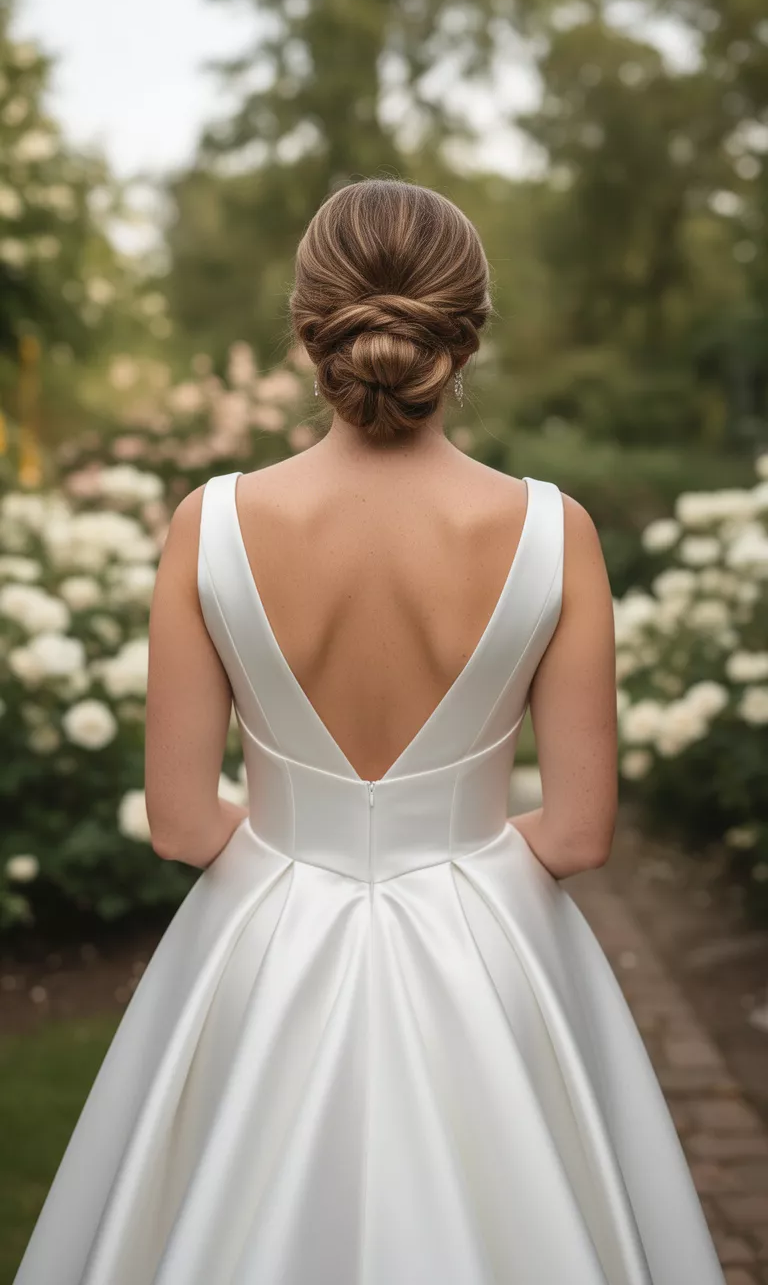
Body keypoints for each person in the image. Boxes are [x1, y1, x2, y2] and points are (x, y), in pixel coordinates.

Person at [13, 178, 725, 1285]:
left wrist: (314, 863)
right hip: (487, 948)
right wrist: (459, 864)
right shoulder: (554, 530)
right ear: (467, 330)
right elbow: (580, 836)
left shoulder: (210, 526)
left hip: (266, 938)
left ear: (311, 328)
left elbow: (180, 821)